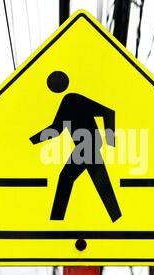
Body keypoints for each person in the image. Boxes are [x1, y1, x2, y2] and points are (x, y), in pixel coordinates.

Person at [30, 71, 122, 222]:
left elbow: (108, 112)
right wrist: (32, 140)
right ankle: (117, 218)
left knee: (66, 178)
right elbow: (56, 129)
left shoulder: (72, 99)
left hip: (88, 145)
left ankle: (55, 221)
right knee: (100, 183)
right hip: (85, 147)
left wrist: (111, 143)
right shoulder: (66, 102)